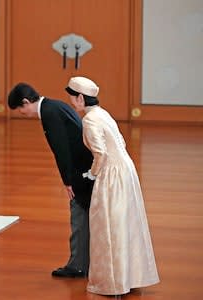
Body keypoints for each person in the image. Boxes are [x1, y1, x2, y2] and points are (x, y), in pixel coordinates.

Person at [66, 76, 159, 295]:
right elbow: (121, 143)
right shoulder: (103, 113)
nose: (71, 102)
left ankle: (112, 282)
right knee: (126, 223)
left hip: (111, 175)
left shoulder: (89, 120)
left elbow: (100, 153)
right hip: (126, 169)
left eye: (72, 97)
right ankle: (130, 276)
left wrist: (91, 174)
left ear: (80, 98)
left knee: (107, 226)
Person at [7, 83, 94, 277]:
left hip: (80, 171)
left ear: (25, 102)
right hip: (85, 167)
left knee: (79, 217)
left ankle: (78, 266)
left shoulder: (49, 113)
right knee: (85, 217)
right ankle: (85, 263)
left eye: (20, 109)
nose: (21, 113)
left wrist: (67, 181)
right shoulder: (54, 105)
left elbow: (61, 150)